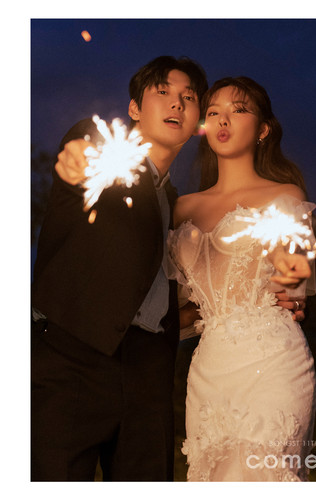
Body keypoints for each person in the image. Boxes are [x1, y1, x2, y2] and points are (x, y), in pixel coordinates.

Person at [31, 55, 208, 481]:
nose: (176, 103)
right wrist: (78, 156)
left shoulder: (179, 207)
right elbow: (84, 146)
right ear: (134, 108)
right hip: (72, 359)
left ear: (197, 120)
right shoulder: (107, 155)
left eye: (188, 97)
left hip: (149, 374)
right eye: (162, 91)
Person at [168, 76, 316, 481]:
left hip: (273, 359)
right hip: (208, 369)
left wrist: (294, 294)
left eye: (238, 110)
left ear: (263, 128)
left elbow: (293, 282)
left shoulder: (285, 197)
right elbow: (177, 305)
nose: (223, 120)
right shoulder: (180, 209)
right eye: (213, 112)